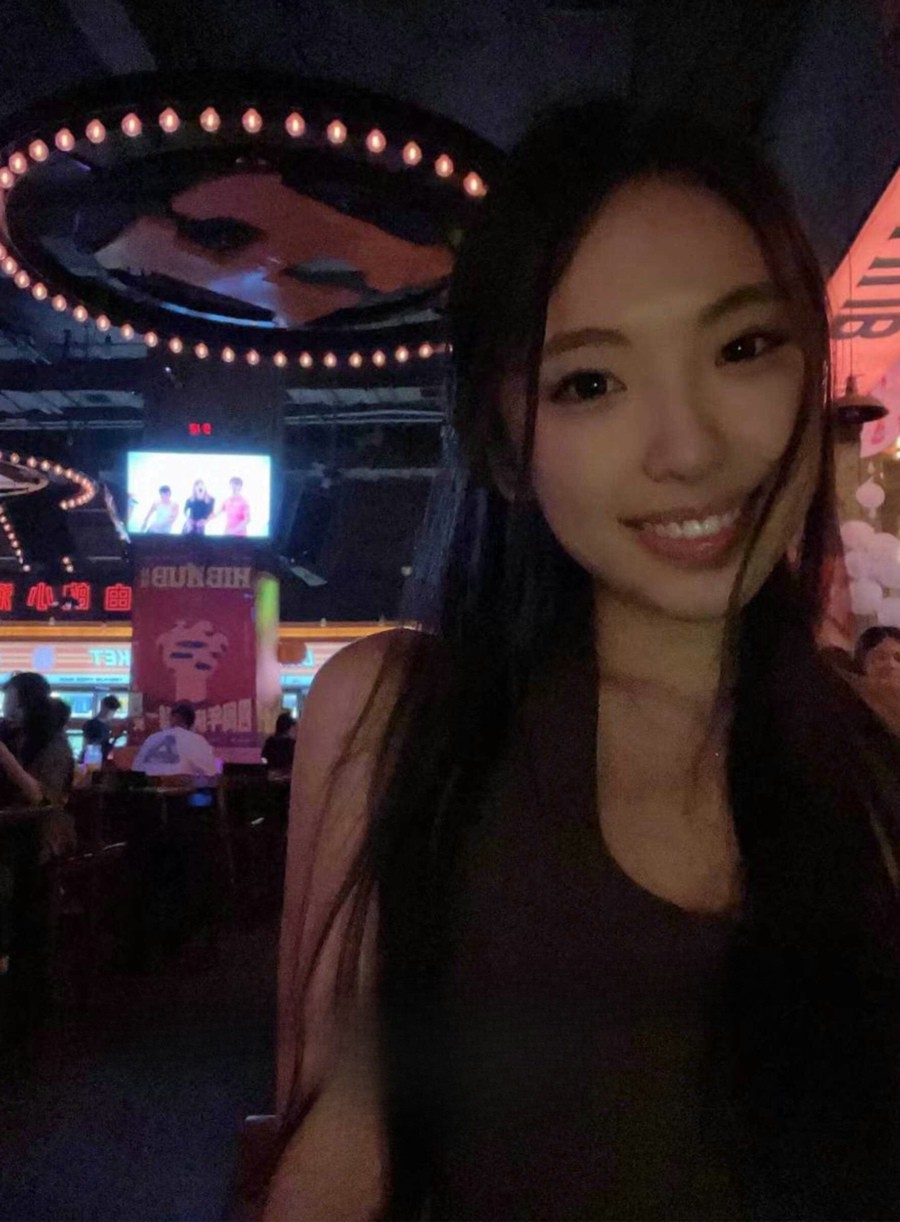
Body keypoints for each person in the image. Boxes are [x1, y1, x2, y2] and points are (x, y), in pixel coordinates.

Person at [256, 99, 900, 1221]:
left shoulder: (880, 756)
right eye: (590, 382)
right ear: (508, 448)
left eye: (742, 348)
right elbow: (345, 1143)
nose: (689, 449)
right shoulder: (396, 718)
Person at [0, 673, 75, 860]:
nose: (7, 712)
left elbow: (41, 799)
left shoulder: (54, 744)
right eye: (7, 704)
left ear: (33, 706)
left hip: (38, 834)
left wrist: (4, 756)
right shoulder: (12, 736)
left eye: (15, 705)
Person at [133, 701, 217, 779]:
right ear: (192, 724)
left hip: (144, 788)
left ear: (170, 719)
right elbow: (211, 773)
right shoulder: (196, 740)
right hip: (179, 789)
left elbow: (136, 768)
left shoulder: (152, 738)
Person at [80, 694, 123, 764]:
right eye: (111, 709)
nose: (111, 713)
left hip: (98, 760)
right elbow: (91, 746)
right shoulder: (92, 724)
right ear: (103, 707)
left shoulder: (105, 725)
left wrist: (114, 738)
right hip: (92, 761)